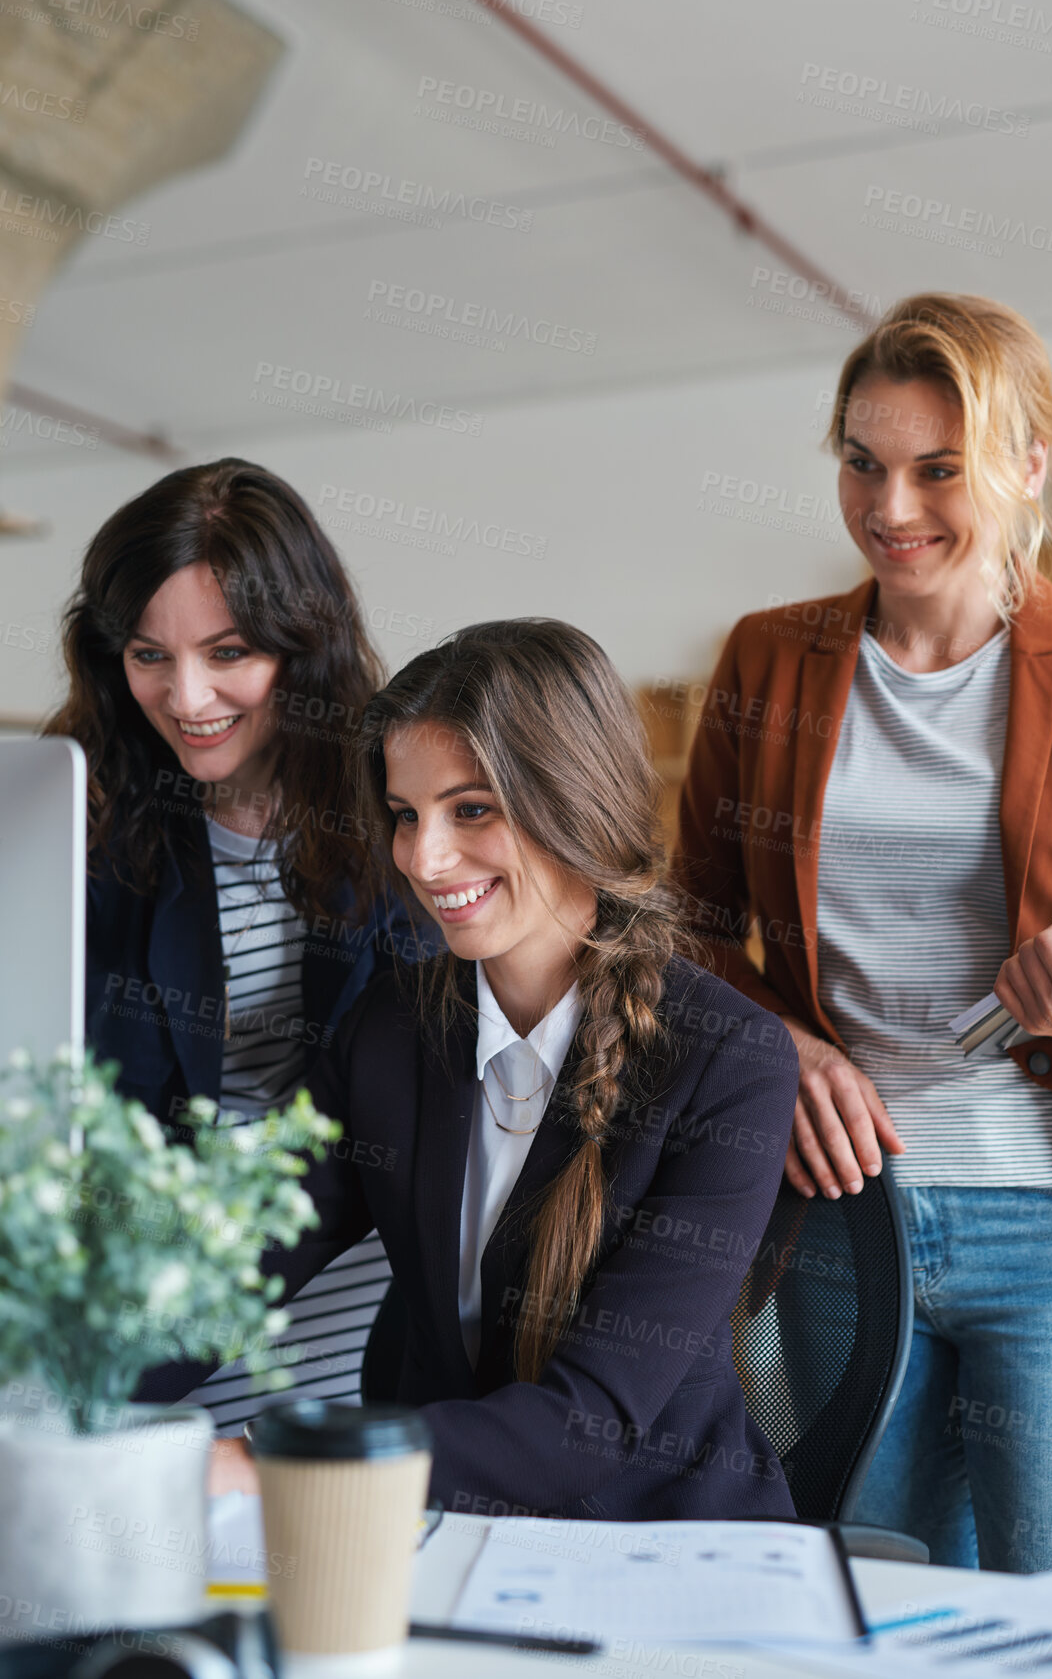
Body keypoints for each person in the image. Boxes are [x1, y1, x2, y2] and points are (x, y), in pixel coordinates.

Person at [674, 292, 1052, 1571]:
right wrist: (788, 1048)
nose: (891, 507)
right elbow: (685, 924)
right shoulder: (771, 660)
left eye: (937, 469)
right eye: (862, 463)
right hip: (844, 1207)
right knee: (880, 1600)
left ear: (1028, 466)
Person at [206, 617, 799, 1519]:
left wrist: (276, 1463)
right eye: (406, 816)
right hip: (440, 1532)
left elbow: (589, 1422)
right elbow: (237, 1260)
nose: (424, 858)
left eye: (470, 808)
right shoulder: (390, 1026)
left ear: (572, 800)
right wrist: (59, 1366)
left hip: (659, 1550)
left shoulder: (729, 1061)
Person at [45, 456, 422, 1428]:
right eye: (148, 655)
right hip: (143, 1336)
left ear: (304, 647)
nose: (188, 696)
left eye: (229, 652)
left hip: (352, 1341)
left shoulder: (411, 826)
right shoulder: (89, 830)